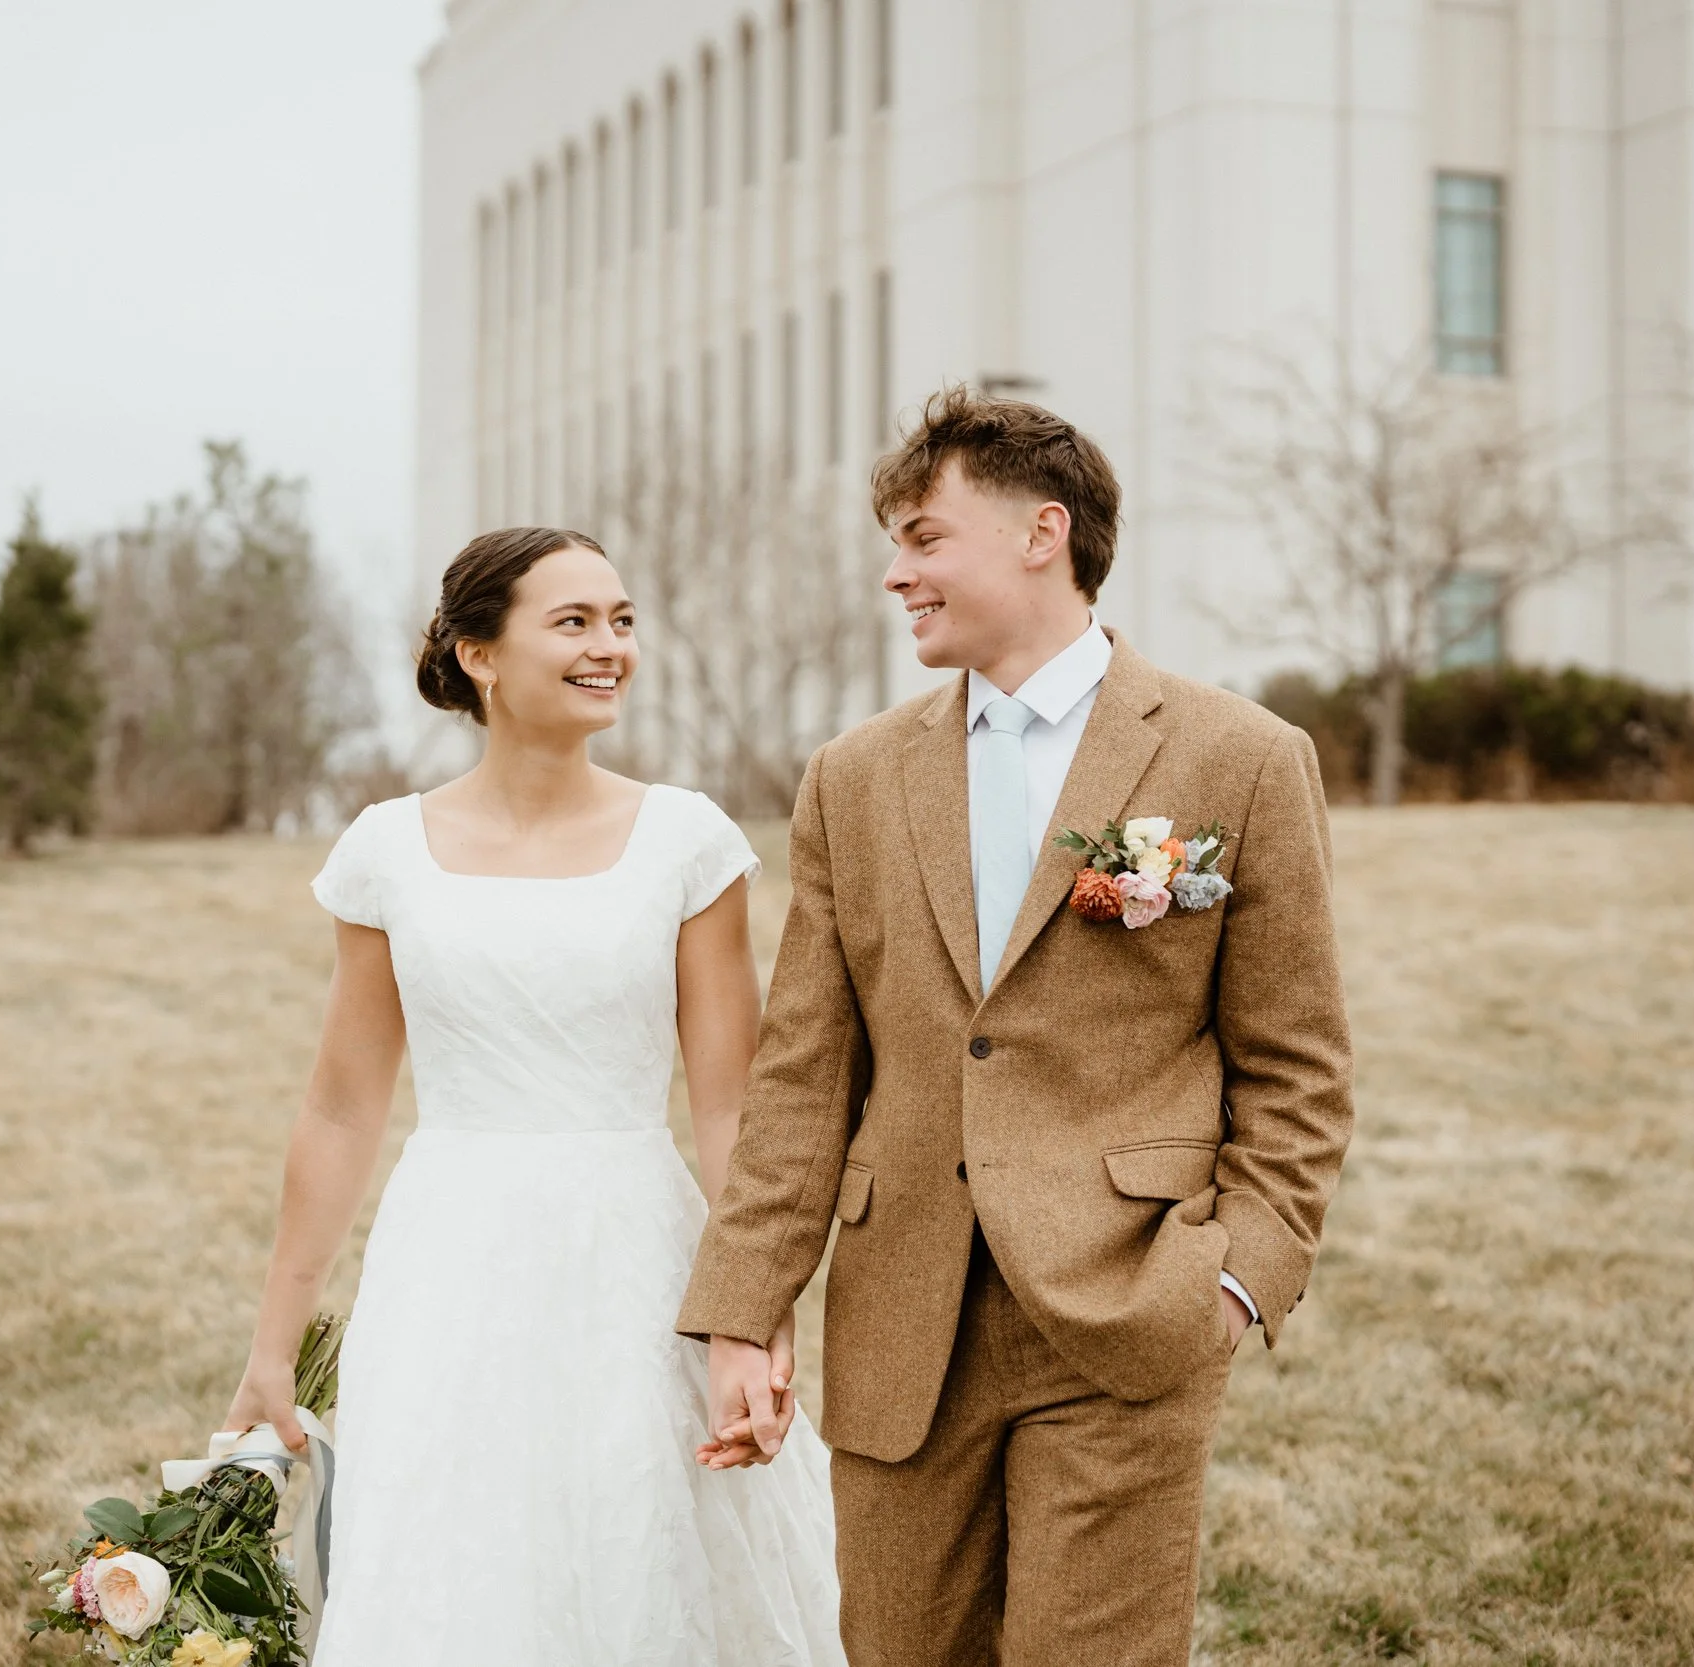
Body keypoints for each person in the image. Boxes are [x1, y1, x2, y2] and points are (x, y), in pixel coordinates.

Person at [680, 387, 1357, 1665]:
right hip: (900, 1326)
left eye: (925, 538)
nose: (896, 574)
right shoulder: (852, 776)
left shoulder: (1242, 758)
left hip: (1125, 1310)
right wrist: (741, 1310)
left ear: (1041, 533)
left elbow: (1298, 1070)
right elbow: (804, 1077)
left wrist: (1228, 1282)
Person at [223, 526, 844, 1666]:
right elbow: (342, 1107)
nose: (610, 645)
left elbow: (729, 1107)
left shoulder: (686, 841)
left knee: (641, 1554)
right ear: (478, 653)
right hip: (447, 1265)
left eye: (621, 620)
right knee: (456, 1568)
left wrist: (752, 1316)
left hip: (638, 1262)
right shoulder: (388, 851)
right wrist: (275, 1342)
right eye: (573, 622)